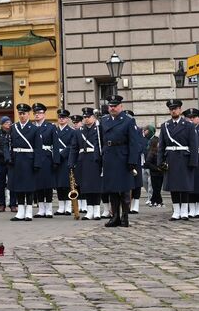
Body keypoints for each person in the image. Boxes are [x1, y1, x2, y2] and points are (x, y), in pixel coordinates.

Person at [98, 95, 142, 227]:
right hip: (109, 157)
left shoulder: (128, 121)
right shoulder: (104, 120)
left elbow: (134, 143)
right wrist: (101, 157)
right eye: (110, 106)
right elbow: (100, 140)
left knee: (124, 189)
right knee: (112, 189)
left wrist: (132, 160)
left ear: (121, 106)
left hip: (122, 157)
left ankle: (125, 217)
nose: (112, 108)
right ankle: (115, 216)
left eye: (115, 106)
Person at [158, 99, 198, 222]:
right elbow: (161, 146)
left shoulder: (189, 125)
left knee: (184, 186)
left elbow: (194, 145)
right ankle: (176, 211)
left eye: (175, 108)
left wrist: (193, 161)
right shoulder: (165, 126)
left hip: (184, 158)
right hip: (171, 159)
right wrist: (160, 162)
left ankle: (185, 211)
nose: (173, 111)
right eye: (171, 109)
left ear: (180, 110)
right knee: (173, 186)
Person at [69, 107, 103, 219]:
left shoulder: (98, 130)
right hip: (83, 160)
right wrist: (71, 162)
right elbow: (74, 148)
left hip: (95, 159)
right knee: (86, 186)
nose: (86, 119)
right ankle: (90, 211)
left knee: (96, 186)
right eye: (85, 117)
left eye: (89, 117)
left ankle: (97, 210)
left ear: (93, 117)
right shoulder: (79, 131)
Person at [9, 103, 38, 221]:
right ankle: (20, 212)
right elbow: (8, 144)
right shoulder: (13, 127)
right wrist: (9, 158)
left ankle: (29, 211)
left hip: (29, 160)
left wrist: (37, 163)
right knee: (18, 187)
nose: (21, 116)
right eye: (20, 113)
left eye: (24, 113)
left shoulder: (34, 128)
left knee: (28, 187)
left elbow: (38, 147)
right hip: (17, 160)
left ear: (28, 114)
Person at [32, 103, 59, 218]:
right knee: (38, 185)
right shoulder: (32, 127)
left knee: (47, 184)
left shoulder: (50, 127)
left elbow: (56, 145)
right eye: (35, 113)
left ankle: (48, 208)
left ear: (44, 114)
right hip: (35, 158)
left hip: (47, 157)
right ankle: (41, 209)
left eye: (39, 113)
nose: (37, 115)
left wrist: (56, 160)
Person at [54, 109, 75, 215]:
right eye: (59, 117)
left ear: (67, 119)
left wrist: (62, 154)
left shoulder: (72, 131)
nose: (61, 119)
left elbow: (72, 145)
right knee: (58, 184)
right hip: (56, 160)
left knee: (66, 184)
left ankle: (67, 206)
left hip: (66, 159)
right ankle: (61, 206)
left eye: (63, 117)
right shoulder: (54, 131)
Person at [145, 133, 164, 208]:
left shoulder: (160, 152)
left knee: (158, 188)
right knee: (156, 188)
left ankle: (154, 201)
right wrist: (156, 168)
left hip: (160, 173)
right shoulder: (152, 153)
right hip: (154, 173)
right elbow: (148, 163)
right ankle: (158, 201)